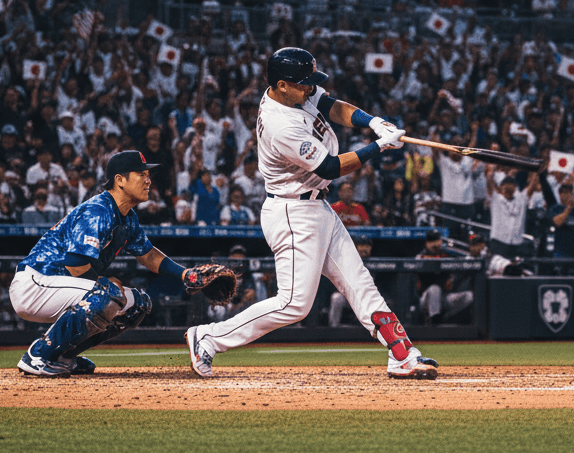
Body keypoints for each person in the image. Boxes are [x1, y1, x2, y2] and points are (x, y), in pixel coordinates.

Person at [185, 47, 439, 380]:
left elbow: (332, 106)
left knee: (359, 283)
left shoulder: (291, 93)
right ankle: (209, 336)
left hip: (315, 205)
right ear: (281, 85)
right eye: (303, 84)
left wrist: (373, 122)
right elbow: (330, 167)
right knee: (293, 304)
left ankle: (401, 354)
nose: (309, 88)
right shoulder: (280, 123)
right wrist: (378, 146)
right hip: (292, 210)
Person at [10, 149, 202, 377]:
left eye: (148, 174)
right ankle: (38, 354)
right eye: (141, 174)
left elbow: (148, 255)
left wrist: (185, 275)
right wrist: (103, 287)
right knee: (110, 294)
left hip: (61, 286)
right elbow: (75, 263)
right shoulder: (99, 209)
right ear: (120, 180)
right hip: (36, 283)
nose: (148, 179)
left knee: (138, 304)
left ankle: (64, 355)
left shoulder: (127, 217)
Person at [417, 228, 474, 326]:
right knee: (435, 289)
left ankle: (443, 319)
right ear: (427, 244)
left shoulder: (446, 254)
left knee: (469, 296)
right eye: (431, 241)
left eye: (437, 240)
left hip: (443, 297)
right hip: (426, 298)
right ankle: (434, 322)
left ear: (440, 241)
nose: (434, 244)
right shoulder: (421, 256)